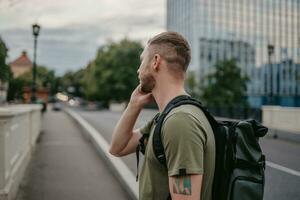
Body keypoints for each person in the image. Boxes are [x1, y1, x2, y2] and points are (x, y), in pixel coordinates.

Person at [109, 31, 215, 200]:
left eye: (142, 60)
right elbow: (118, 148)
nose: (138, 69)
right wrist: (134, 105)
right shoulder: (168, 117)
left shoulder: (180, 121)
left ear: (156, 61)